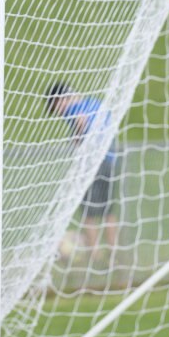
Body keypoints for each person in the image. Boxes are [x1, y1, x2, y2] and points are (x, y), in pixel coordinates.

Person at [45, 81, 120, 262]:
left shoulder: (73, 109)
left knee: (89, 213)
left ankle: (94, 255)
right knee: (108, 210)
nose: (59, 112)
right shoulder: (95, 103)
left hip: (93, 162)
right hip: (110, 159)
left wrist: (78, 139)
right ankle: (114, 254)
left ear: (60, 100)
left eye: (56, 107)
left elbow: (81, 121)